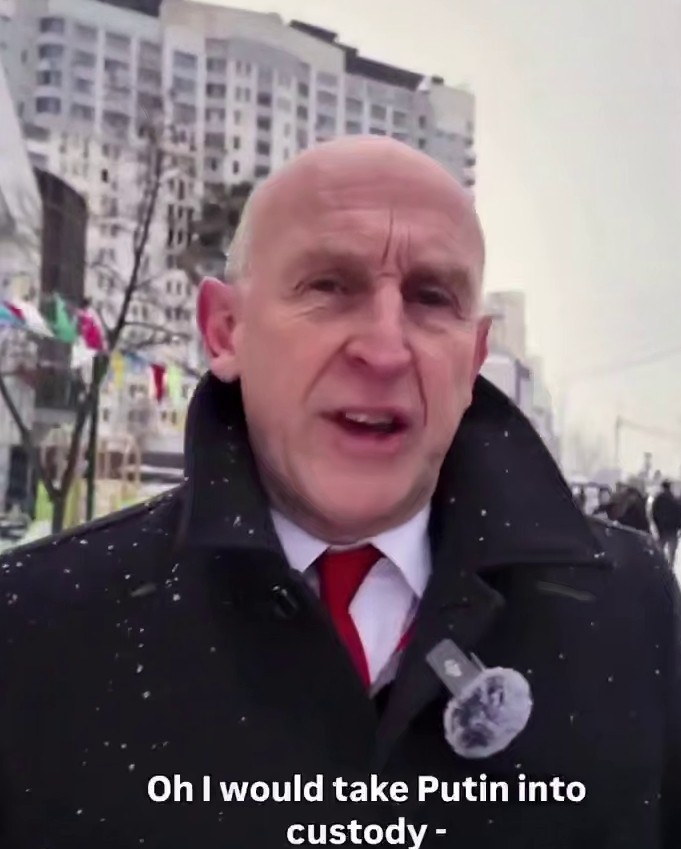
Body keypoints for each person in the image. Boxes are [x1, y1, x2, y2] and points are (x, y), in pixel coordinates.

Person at [0, 136, 679, 849]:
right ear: (225, 331)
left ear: (474, 356)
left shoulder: (627, 608)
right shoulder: (35, 627)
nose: (383, 350)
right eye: (328, 287)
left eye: (431, 297)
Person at [652, 479, 681, 566]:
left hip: (662, 529)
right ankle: (669, 567)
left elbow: (654, 513)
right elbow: (679, 513)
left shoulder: (657, 499)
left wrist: (656, 525)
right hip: (672, 529)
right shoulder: (674, 499)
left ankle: (659, 565)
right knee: (671, 552)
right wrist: (679, 527)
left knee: (660, 549)